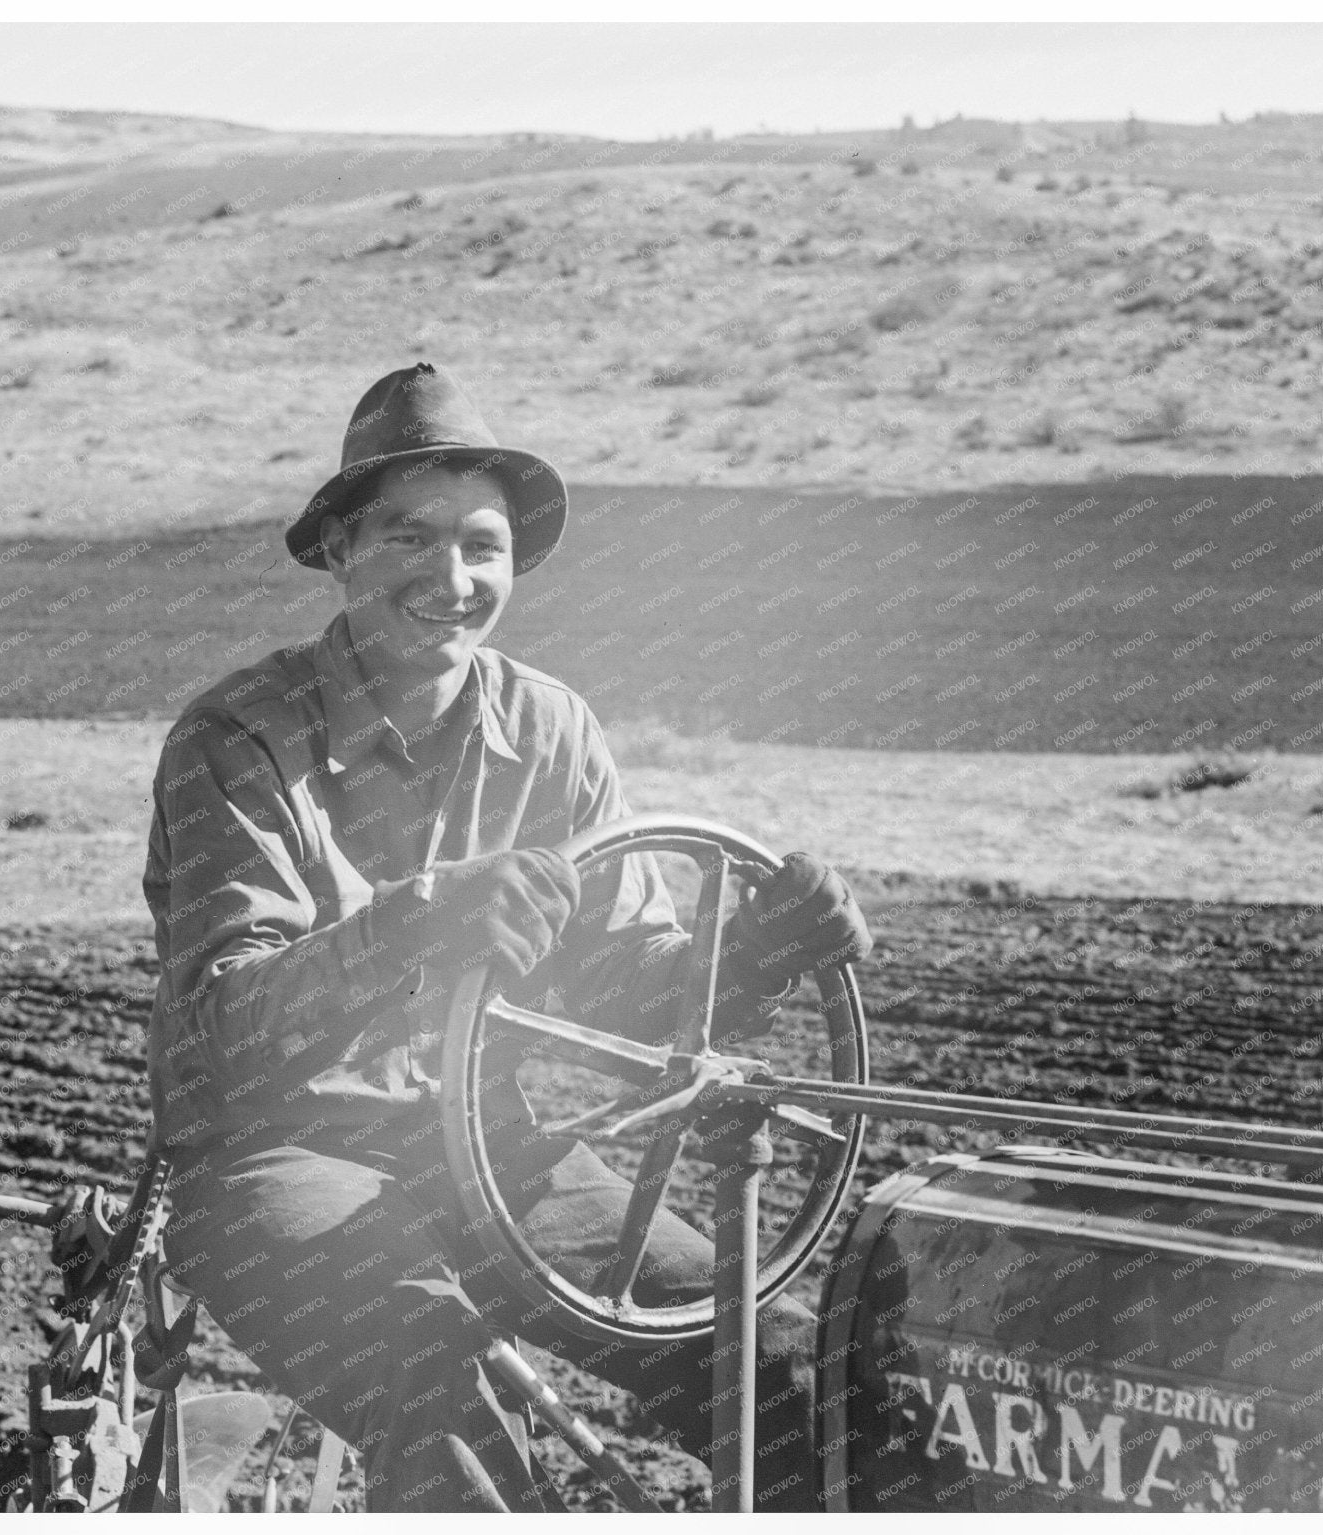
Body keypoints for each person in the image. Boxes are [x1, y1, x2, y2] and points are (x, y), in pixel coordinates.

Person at [141, 363, 873, 1511]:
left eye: (480, 545)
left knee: (781, 1362)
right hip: (271, 1163)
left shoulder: (548, 729)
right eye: (408, 539)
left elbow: (625, 993)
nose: (450, 576)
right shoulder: (238, 737)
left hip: (490, 1152)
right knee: (436, 1383)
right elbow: (222, 1025)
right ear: (337, 550)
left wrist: (757, 948)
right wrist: (417, 922)